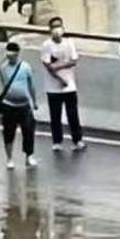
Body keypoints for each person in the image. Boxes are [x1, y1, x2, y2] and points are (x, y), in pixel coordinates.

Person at [40, 17, 84, 151]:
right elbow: (47, 65)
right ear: (50, 29)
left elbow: (73, 61)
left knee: (73, 114)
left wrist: (58, 67)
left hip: (70, 86)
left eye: (59, 26)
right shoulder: (47, 45)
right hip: (53, 87)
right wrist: (60, 79)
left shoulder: (69, 43)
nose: (57, 29)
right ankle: (57, 141)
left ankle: (77, 140)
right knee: (55, 115)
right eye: (54, 27)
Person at [0, 42, 38, 169]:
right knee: (8, 132)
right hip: (8, 105)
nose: (10, 55)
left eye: (12, 52)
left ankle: (29, 156)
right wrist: (3, 59)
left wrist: (34, 102)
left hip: (23, 105)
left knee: (28, 131)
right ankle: (9, 158)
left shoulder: (25, 67)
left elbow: (31, 85)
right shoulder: (3, 67)